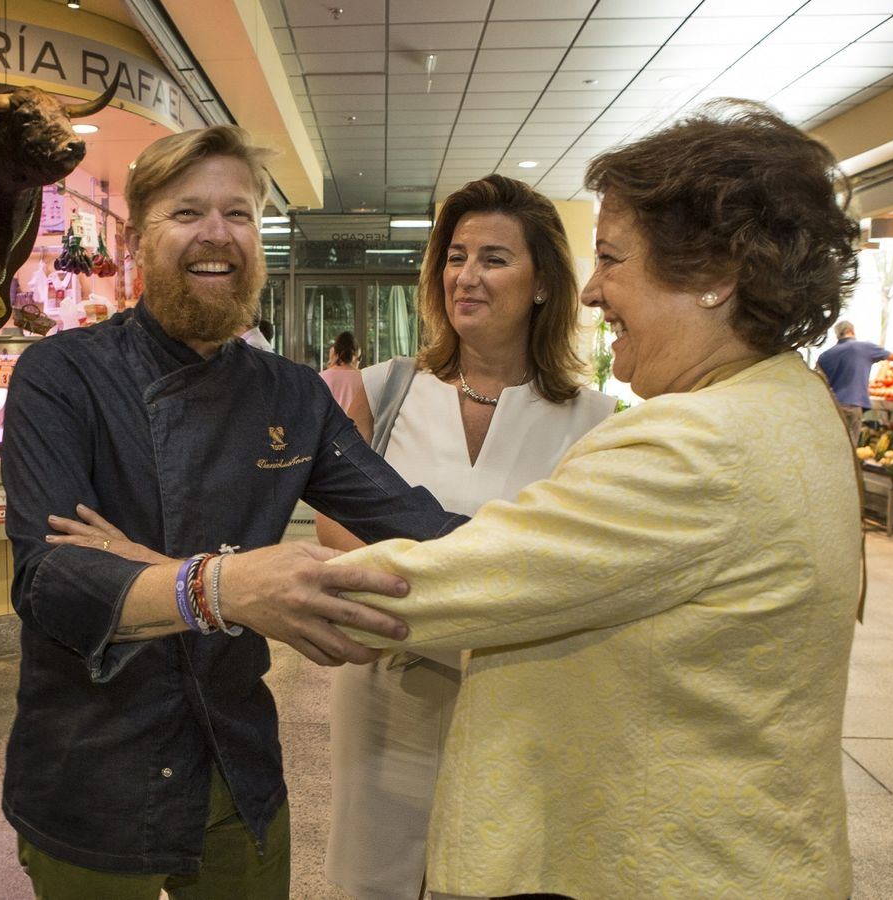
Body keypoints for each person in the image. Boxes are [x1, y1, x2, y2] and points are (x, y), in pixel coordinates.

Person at [315, 102, 864, 898]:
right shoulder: (796, 406)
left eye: (611, 257)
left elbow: (460, 582)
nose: (598, 290)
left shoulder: (693, 445)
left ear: (712, 277)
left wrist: (205, 585)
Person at [0, 124, 465, 898]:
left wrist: (568, 559)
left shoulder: (290, 394)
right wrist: (224, 588)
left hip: (236, 762)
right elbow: (51, 580)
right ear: (136, 236)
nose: (217, 234)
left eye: (239, 213)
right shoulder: (61, 375)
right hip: (91, 768)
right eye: (187, 212)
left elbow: (415, 523)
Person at [317, 175, 615, 900]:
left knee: (503, 875)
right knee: (375, 876)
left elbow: (583, 571)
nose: (467, 276)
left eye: (494, 258)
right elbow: (337, 530)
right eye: (455, 256)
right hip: (387, 691)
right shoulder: (383, 391)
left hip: (523, 696)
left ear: (543, 283)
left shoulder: (594, 422)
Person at [817, 318, 893, 446]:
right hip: (852, 405)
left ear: (837, 334)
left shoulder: (825, 356)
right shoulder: (865, 347)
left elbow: (819, 381)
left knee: (831, 445)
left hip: (830, 406)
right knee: (850, 448)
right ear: (851, 330)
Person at [317, 331, 374, 442]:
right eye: (360, 358)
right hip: (356, 440)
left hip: (328, 439)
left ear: (336, 353)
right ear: (355, 355)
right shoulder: (364, 377)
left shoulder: (321, 377)